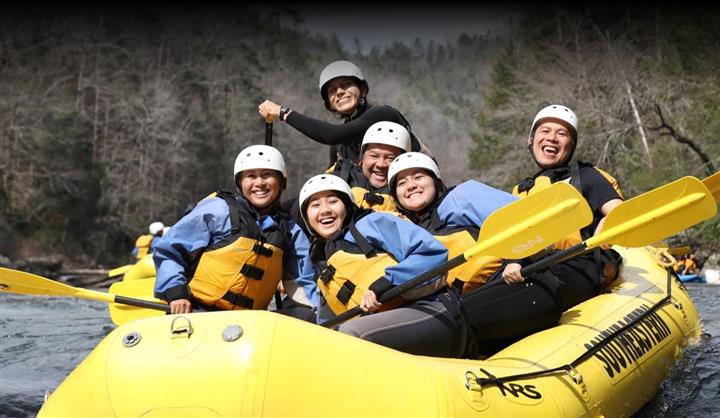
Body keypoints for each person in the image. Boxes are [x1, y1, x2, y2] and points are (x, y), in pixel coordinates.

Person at [299, 174, 462, 357]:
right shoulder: (321, 264)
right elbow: (326, 323)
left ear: (347, 205)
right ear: (307, 217)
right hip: (381, 324)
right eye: (315, 205)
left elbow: (432, 253)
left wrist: (383, 284)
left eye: (333, 201)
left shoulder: (371, 223)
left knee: (350, 334)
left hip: (431, 309)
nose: (325, 210)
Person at [153, 145, 318, 321]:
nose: (259, 183)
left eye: (267, 175)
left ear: (281, 181)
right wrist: (176, 292)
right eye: (251, 176)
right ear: (240, 182)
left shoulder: (290, 231)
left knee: (308, 315)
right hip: (197, 312)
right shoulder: (218, 210)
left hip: (248, 325)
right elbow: (170, 251)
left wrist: (320, 314)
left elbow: (304, 283)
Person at [388, 152, 518, 294]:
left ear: (435, 181)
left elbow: (516, 216)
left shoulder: (460, 196)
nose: (411, 186)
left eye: (418, 177)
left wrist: (516, 260)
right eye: (402, 183)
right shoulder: (413, 231)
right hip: (469, 301)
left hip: (507, 279)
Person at [257, 60, 425, 167]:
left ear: (363, 89)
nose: (339, 92)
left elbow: (332, 134)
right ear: (329, 102)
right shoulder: (339, 147)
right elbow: (332, 180)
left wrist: (283, 113)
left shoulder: (383, 115)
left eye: (346, 84)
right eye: (332, 90)